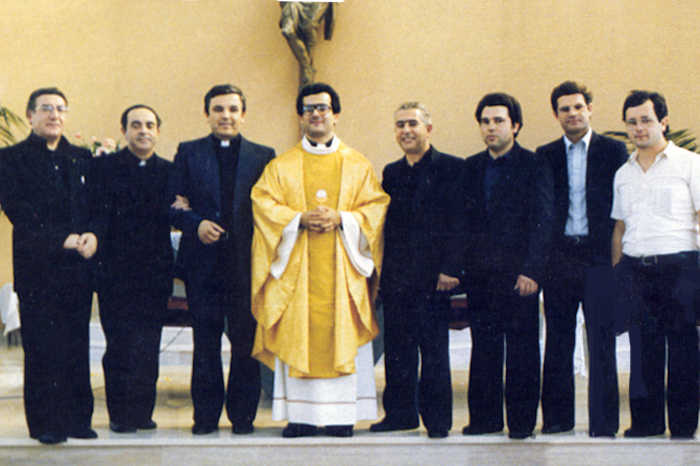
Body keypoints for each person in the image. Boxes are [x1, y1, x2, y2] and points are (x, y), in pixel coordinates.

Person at [250, 82, 389, 438]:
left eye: (323, 108)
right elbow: (263, 204)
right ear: (300, 117)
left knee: (341, 335)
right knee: (299, 336)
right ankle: (300, 417)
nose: (316, 114)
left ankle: (343, 417)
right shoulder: (281, 166)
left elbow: (376, 206)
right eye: (309, 109)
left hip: (343, 272)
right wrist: (298, 219)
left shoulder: (357, 164)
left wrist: (343, 218)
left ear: (336, 115)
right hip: (297, 275)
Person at [170, 84, 275, 435]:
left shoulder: (263, 155)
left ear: (243, 114)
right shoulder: (189, 152)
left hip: (246, 265)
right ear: (207, 114)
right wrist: (195, 223)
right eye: (218, 109)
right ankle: (205, 417)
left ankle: (243, 417)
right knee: (205, 342)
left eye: (232, 109)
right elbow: (173, 203)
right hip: (203, 264)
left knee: (245, 343)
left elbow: (271, 206)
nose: (225, 116)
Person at [0, 87, 100, 444]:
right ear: (30, 116)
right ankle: (46, 424)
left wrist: (93, 235)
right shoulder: (10, 159)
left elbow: (97, 205)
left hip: (77, 268)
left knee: (76, 344)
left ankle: (78, 420)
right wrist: (62, 239)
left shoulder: (82, 157)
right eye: (45, 108)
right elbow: (19, 211)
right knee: (43, 347)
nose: (54, 115)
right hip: (38, 267)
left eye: (60, 109)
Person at [537, 81, 628, 437]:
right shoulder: (546, 155)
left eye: (578, 107)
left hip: (598, 257)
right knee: (558, 340)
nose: (572, 114)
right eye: (565, 109)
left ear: (590, 109)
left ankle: (604, 424)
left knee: (602, 341)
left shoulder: (613, 151)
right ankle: (557, 421)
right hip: (559, 258)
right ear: (556, 115)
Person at [370, 102, 463, 439]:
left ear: (429, 129)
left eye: (412, 124)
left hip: (435, 278)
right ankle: (401, 415)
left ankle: (437, 420)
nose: (406, 130)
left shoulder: (452, 168)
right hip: (398, 278)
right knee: (398, 350)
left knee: (434, 351)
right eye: (400, 125)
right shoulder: (392, 172)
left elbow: (460, 224)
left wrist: (451, 269)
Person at [461, 93, 549, 439]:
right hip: (481, 276)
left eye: (498, 121)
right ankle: (485, 420)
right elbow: (463, 224)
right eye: (485, 121)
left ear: (515, 125)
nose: (491, 127)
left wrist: (532, 271)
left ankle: (522, 423)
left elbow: (543, 221)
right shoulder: (470, 167)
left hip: (519, 276)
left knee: (522, 349)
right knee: (484, 347)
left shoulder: (535, 164)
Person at [612, 90, 698, 439]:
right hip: (637, 269)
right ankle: (646, 423)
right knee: (643, 348)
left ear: (663, 122)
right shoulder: (623, 173)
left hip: (681, 267)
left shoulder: (690, 164)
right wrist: (619, 273)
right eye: (632, 122)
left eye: (646, 120)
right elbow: (620, 227)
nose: (639, 128)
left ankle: (683, 425)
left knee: (683, 348)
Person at [96, 105, 174, 433]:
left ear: (158, 131)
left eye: (149, 125)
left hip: (154, 273)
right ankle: (120, 415)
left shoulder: (170, 171)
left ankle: (142, 413)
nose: (143, 131)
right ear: (124, 130)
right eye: (136, 125)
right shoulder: (104, 168)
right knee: (119, 346)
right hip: (114, 274)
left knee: (148, 346)